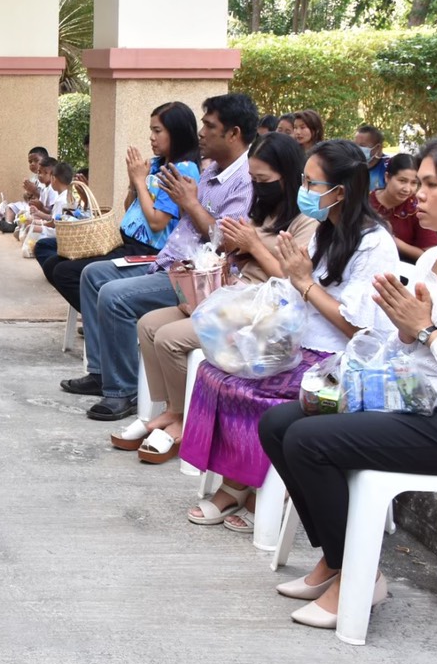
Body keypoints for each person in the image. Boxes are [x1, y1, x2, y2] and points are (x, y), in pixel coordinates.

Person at [261, 135, 437, 630]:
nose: (417, 195)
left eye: (432, 185)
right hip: (415, 404)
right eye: (416, 183)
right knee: (279, 423)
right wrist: (403, 335)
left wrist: (428, 332)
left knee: (311, 442)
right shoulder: (429, 260)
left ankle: (359, 575)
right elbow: (409, 349)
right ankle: (339, 560)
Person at [181, 140, 398, 535]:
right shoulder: (326, 232)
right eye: (304, 180)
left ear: (340, 192)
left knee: (251, 389)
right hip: (303, 344)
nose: (304, 191)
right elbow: (298, 290)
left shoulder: (374, 243)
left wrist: (303, 282)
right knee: (218, 371)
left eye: (312, 184)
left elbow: (357, 329)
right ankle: (241, 479)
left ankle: (259, 487)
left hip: (341, 362)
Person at [61, 93, 257, 421]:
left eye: (210, 126)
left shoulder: (243, 181)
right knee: (92, 274)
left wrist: (189, 202)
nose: (202, 132)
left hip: (199, 278)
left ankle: (121, 390)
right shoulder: (209, 172)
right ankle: (100, 372)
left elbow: (226, 243)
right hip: (167, 261)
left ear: (233, 134)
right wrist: (138, 181)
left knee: (114, 296)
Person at [120, 133, 315, 461]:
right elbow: (235, 256)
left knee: (170, 338)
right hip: (234, 294)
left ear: (289, 176)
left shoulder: (304, 221)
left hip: (268, 310)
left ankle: (185, 421)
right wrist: (227, 253)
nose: (256, 186)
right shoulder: (262, 209)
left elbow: (292, 279)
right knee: (149, 325)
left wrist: (252, 245)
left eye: (263, 179)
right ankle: (171, 408)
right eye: (252, 178)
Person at [37, 102, 200, 310]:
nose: (151, 137)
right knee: (53, 262)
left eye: (157, 131)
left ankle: (108, 320)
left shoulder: (182, 170)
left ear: (177, 133)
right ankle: (101, 318)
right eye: (151, 130)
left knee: (66, 272)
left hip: (150, 250)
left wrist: (140, 181)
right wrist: (133, 183)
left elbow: (157, 223)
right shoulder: (156, 164)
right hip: (126, 240)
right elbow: (129, 207)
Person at [368, 152, 437, 264]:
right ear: (387, 177)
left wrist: (391, 239)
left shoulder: (419, 209)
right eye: (402, 181)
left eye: (414, 183)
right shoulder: (365, 202)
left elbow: (429, 256)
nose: (407, 189)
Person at [354, 125, 388, 191]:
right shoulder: (351, 165)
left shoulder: (389, 167)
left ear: (378, 147)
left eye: (362, 145)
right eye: (355, 145)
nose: (356, 149)